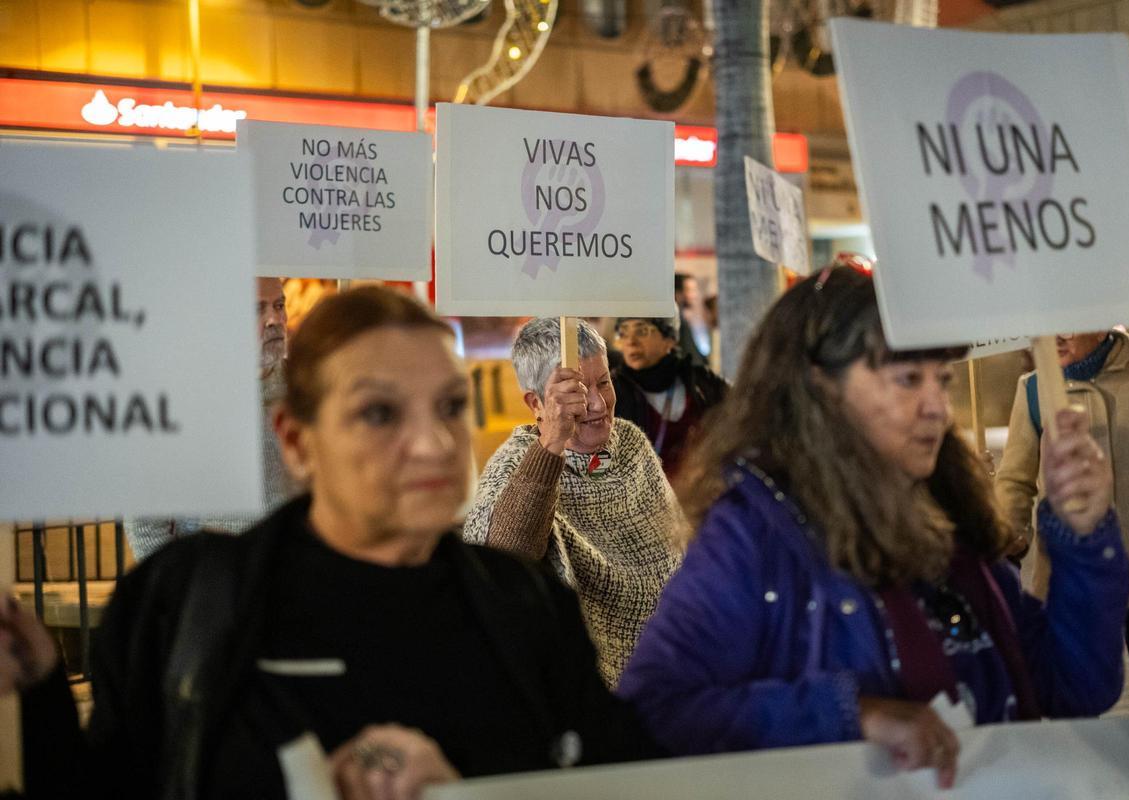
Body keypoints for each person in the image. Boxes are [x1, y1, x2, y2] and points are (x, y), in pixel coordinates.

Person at [3, 287, 653, 800]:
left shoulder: (525, 604)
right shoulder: (181, 605)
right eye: (380, 413)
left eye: (450, 407)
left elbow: (612, 777)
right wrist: (40, 696)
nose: (432, 444)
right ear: (295, 439)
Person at [618, 267, 1129, 788]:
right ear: (822, 387)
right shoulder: (753, 533)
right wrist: (851, 715)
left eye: (942, 379)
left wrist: (1085, 539)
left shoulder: (947, 517)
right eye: (908, 379)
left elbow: (1076, 686)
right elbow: (654, 706)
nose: (937, 407)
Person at [464, 318, 683, 688]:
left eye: (604, 383)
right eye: (577, 391)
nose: (597, 403)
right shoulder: (515, 465)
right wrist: (552, 443)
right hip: (592, 681)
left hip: (677, 659)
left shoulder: (631, 445)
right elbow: (503, 562)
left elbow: (680, 549)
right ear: (536, 403)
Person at [996, 328, 1129, 715]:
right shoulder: (1034, 388)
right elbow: (1014, 480)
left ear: (1101, 322)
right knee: (1075, 709)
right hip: (1070, 577)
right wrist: (1008, 534)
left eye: (1069, 324)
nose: (1057, 335)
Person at [126, 277, 303, 559]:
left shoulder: (306, 386)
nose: (274, 319)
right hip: (219, 576)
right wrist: (178, 581)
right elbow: (144, 521)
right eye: (257, 309)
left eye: (279, 306)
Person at [611, 312, 727, 479]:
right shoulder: (612, 391)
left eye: (642, 331)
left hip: (700, 490)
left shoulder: (703, 384)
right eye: (623, 333)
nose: (630, 342)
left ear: (670, 339)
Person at [674, 273, 712, 366]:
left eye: (695, 290)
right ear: (677, 293)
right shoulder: (676, 323)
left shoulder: (685, 319)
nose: (695, 295)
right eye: (689, 290)